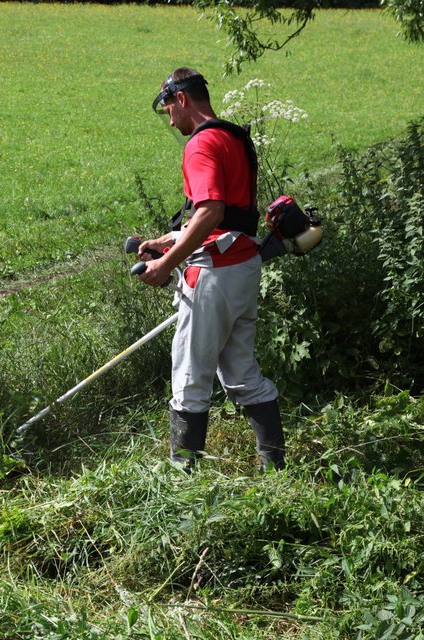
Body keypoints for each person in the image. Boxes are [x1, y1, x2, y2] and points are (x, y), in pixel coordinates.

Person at [138, 67, 285, 471]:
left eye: (168, 107)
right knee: (241, 373)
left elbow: (210, 210)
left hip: (212, 275)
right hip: (243, 267)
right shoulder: (233, 138)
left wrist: (166, 263)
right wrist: (167, 241)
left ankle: (184, 482)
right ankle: (275, 468)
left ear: (182, 99)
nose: (170, 119)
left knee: (189, 379)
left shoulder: (200, 145)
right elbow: (228, 217)